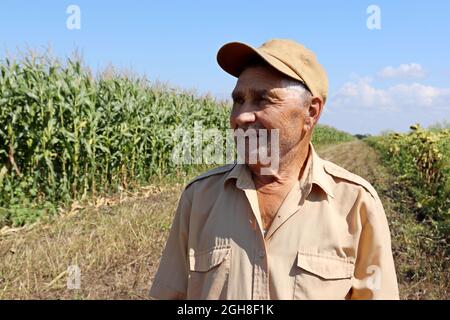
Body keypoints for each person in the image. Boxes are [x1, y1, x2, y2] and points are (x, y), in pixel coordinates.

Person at [149, 39, 399, 300]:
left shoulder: (356, 203)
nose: (241, 116)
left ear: (311, 112)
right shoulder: (199, 197)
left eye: (262, 100)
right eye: (238, 100)